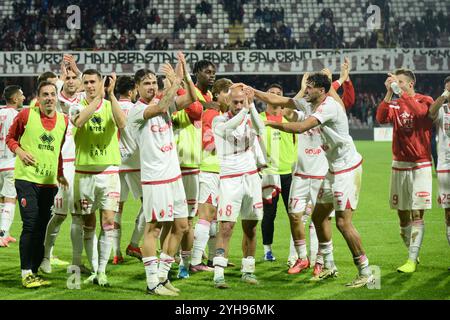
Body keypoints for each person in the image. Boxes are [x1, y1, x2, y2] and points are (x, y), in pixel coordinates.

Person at [265, 73, 374, 288]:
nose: (306, 90)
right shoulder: (311, 103)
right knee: (318, 216)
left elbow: (299, 127)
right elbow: (282, 101)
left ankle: (366, 271)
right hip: (333, 169)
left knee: (343, 223)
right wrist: (254, 92)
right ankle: (329, 265)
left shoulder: (329, 106)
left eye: (311, 87)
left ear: (322, 91)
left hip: (347, 170)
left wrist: (273, 124)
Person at [127, 51, 197, 296]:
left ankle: (162, 276)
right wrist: (174, 82)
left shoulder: (164, 105)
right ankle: (151, 283)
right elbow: (162, 105)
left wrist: (184, 73)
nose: (150, 87)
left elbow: (191, 98)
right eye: (145, 83)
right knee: (154, 229)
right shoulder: (136, 111)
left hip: (174, 176)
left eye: (153, 83)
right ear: (136, 87)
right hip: (155, 178)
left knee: (181, 225)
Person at [6, 81, 68, 288]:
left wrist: (60, 174)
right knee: (31, 224)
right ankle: (25, 273)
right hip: (26, 179)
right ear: (38, 97)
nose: (49, 98)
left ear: (57, 97)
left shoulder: (63, 121)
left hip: (49, 183)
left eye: (52, 94)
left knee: (41, 227)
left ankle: (33, 271)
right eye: (45, 94)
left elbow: (57, 150)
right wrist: (20, 152)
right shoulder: (26, 115)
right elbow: (10, 138)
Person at [69, 69, 126, 287]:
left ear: (101, 82)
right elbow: (80, 121)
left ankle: (102, 271)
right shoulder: (76, 105)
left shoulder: (111, 104)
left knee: (108, 221)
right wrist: (100, 97)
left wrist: (110, 96)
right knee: (88, 222)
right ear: (82, 85)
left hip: (109, 172)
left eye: (94, 81)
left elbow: (122, 123)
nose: (91, 85)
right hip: (84, 173)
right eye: (87, 82)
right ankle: (93, 268)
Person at [376, 68, 434, 273]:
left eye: (400, 82)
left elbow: (420, 115)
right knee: (402, 215)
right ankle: (412, 253)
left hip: (421, 164)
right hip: (399, 164)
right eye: (395, 81)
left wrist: (400, 94)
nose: (397, 84)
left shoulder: (425, 100)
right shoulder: (395, 101)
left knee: (417, 212)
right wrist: (389, 93)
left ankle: (411, 260)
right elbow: (381, 117)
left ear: (410, 83)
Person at [212, 85, 265, 289]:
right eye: (235, 102)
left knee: (250, 226)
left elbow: (261, 130)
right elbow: (229, 128)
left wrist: (251, 108)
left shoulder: (249, 115)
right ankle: (218, 274)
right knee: (226, 227)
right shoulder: (220, 120)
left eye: (242, 101)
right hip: (230, 179)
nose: (238, 105)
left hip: (251, 177)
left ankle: (248, 270)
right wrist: (245, 110)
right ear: (228, 102)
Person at [40, 57, 89, 274]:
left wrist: (77, 71)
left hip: (81, 166)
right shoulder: (53, 101)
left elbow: (92, 89)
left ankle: (76, 263)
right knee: (59, 215)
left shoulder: (84, 101)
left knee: (78, 215)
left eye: (74, 78)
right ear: (61, 80)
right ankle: (45, 257)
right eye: (66, 78)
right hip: (62, 167)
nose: (71, 81)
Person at [169, 60, 214, 278]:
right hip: (184, 162)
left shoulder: (209, 97)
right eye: (207, 72)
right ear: (196, 73)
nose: (211, 75)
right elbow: (196, 111)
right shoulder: (189, 92)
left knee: (191, 218)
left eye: (214, 72)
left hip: (201, 163)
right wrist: (180, 80)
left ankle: (184, 260)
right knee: (181, 219)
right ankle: (179, 262)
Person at [190, 78, 233, 271]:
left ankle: (212, 259)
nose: (231, 97)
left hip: (220, 170)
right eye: (227, 93)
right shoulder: (212, 114)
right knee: (206, 216)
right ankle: (195, 261)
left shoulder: (224, 115)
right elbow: (207, 143)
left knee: (215, 218)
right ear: (217, 94)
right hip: (209, 169)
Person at [257, 83, 296, 262]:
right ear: (265, 97)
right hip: (268, 174)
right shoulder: (258, 119)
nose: (274, 96)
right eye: (270, 93)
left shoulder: (291, 118)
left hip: (289, 173)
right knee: (269, 215)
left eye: (278, 94)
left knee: (294, 215)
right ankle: (267, 250)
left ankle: (295, 252)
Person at [111, 75, 145, 265]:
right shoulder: (137, 109)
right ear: (132, 91)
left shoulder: (111, 109)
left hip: (115, 163)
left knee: (117, 209)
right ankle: (134, 243)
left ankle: (116, 253)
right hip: (135, 162)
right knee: (149, 204)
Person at [427, 76, 450, 270]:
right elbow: (430, 113)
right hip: (445, 168)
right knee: (448, 215)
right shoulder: (442, 110)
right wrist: (443, 95)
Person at [0, 85, 25, 247]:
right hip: (9, 162)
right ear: (15, 99)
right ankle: (2, 233)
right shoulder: (18, 116)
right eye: (21, 95)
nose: (24, 98)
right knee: (10, 199)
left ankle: (5, 233)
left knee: (2, 199)